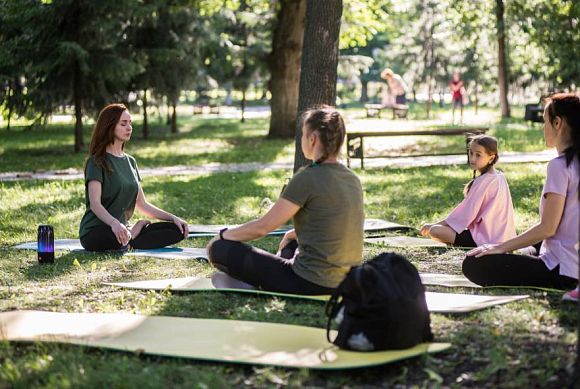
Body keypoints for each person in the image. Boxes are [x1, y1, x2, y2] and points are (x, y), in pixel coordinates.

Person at [206, 105, 364, 295]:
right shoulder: (352, 178)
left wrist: (222, 235)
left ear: (312, 139)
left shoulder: (307, 177)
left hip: (308, 282)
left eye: (303, 135)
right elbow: (336, 224)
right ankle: (261, 281)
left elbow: (262, 227)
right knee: (290, 242)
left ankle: (255, 284)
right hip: (345, 280)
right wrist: (293, 233)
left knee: (220, 249)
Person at [464, 93, 579, 290]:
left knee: (473, 262)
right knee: (528, 246)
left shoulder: (559, 167)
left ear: (557, 123)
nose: (543, 128)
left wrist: (499, 247)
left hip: (564, 270)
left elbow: (548, 228)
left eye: (544, 122)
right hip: (571, 257)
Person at [79, 103, 188, 251]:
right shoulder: (96, 161)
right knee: (114, 238)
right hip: (97, 231)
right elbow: (95, 205)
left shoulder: (130, 161)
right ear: (109, 127)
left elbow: (142, 204)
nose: (129, 127)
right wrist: (114, 224)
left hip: (122, 229)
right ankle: (133, 234)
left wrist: (173, 218)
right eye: (123, 124)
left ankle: (131, 237)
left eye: (130, 123)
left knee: (177, 230)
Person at [420, 135, 516, 247]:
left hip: (486, 239)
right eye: (471, 153)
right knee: (438, 229)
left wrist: (434, 225)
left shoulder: (484, 180)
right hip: (505, 238)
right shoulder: (499, 175)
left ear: (491, 158)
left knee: (434, 230)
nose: (473, 158)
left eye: (478, 155)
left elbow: (465, 215)